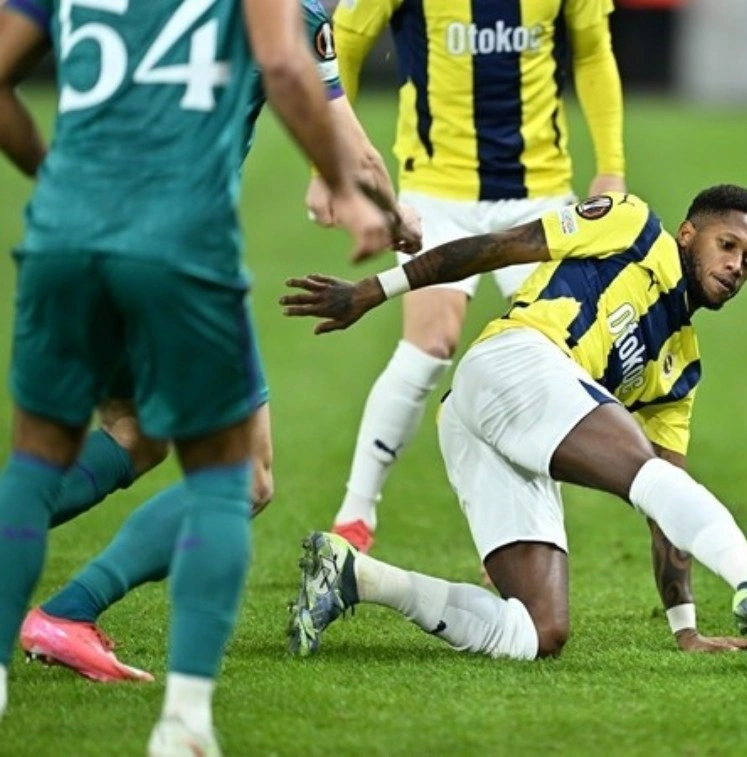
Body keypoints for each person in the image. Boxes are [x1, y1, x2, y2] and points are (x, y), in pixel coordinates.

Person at [0, 0, 393, 752]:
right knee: (241, 477)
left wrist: (57, 175)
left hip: (65, 238)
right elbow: (298, 80)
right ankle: (168, 707)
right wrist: (367, 198)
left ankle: (60, 618)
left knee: (116, 437)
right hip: (176, 247)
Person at [280, 187, 747, 671]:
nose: (735, 267)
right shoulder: (632, 226)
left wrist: (686, 628)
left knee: (539, 632)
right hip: (514, 359)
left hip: (479, 424)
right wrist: (374, 290)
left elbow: (668, 511)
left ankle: (355, 577)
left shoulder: (680, 369)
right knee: (641, 469)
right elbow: (498, 247)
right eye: (726, 246)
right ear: (688, 235)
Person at [320, 0, 628, 554]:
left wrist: (612, 166)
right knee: (429, 346)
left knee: (551, 360)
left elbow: (592, 50)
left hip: (537, 195)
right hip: (438, 192)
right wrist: (329, 165)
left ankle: (527, 537)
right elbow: (345, 40)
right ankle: (355, 515)